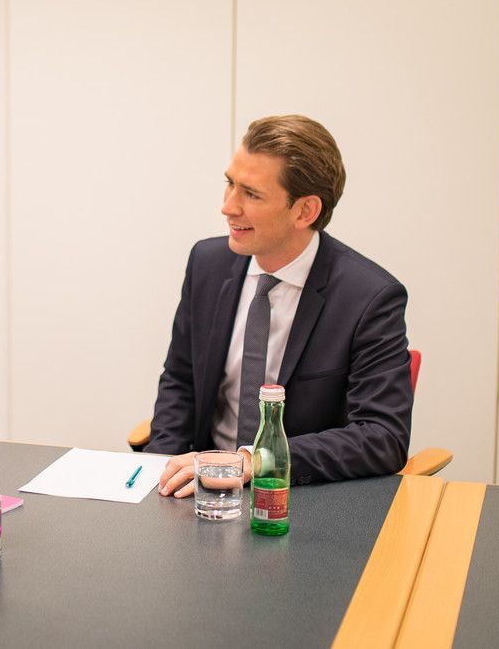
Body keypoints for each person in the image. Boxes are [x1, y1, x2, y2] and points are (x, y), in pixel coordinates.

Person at [148, 115, 412, 497]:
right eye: (230, 184)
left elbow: (382, 436)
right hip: (201, 491)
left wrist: (258, 461)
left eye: (251, 194)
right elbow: (180, 380)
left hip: (300, 498)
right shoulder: (207, 264)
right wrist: (162, 471)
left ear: (305, 211)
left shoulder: (368, 298)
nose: (228, 207)